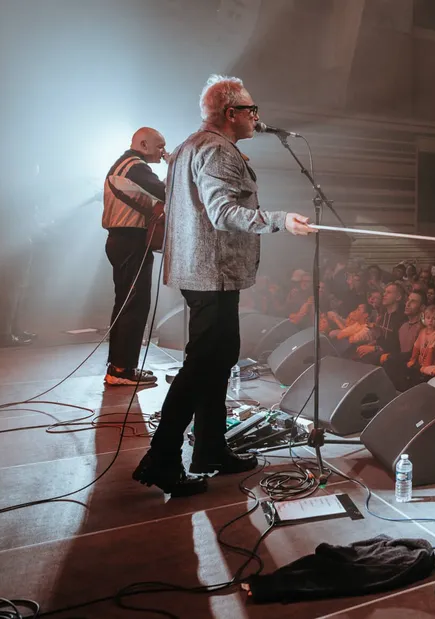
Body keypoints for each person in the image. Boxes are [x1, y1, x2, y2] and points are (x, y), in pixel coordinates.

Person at [132, 75, 315, 497]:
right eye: (251, 110)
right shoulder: (217, 150)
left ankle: (211, 449)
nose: (257, 117)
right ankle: (161, 458)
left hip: (202, 271)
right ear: (231, 113)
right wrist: (280, 220)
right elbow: (222, 212)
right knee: (202, 365)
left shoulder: (186, 148)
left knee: (218, 359)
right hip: (212, 271)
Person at [101, 127, 169, 386]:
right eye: (160, 146)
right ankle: (122, 369)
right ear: (143, 143)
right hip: (131, 240)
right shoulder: (135, 166)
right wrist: (177, 167)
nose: (163, 152)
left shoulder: (123, 164)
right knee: (135, 304)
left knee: (125, 303)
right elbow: (167, 192)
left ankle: (118, 366)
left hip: (121, 240)